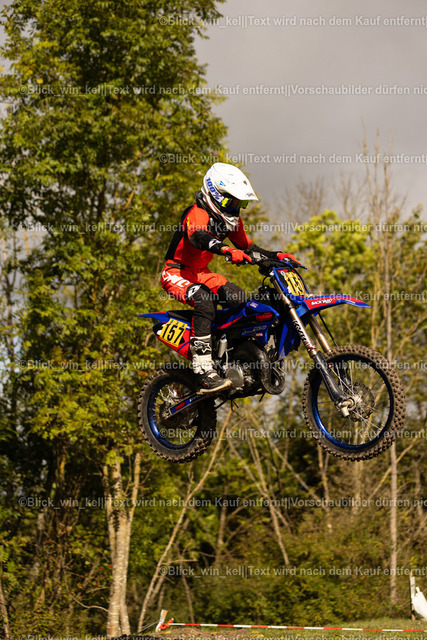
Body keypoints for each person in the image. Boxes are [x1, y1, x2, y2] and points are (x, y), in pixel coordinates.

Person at [161, 162, 301, 394]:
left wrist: (276, 256)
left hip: (203, 274)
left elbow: (249, 248)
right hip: (176, 272)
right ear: (215, 195)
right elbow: (199, 238)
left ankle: (233, 358)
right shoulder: (197, 213)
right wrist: (226, 250)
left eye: (239, 203)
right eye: (232, 202)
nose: (236, 208)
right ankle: (203, 369)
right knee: (204, 299)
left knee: (240, 300)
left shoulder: (231, 222)